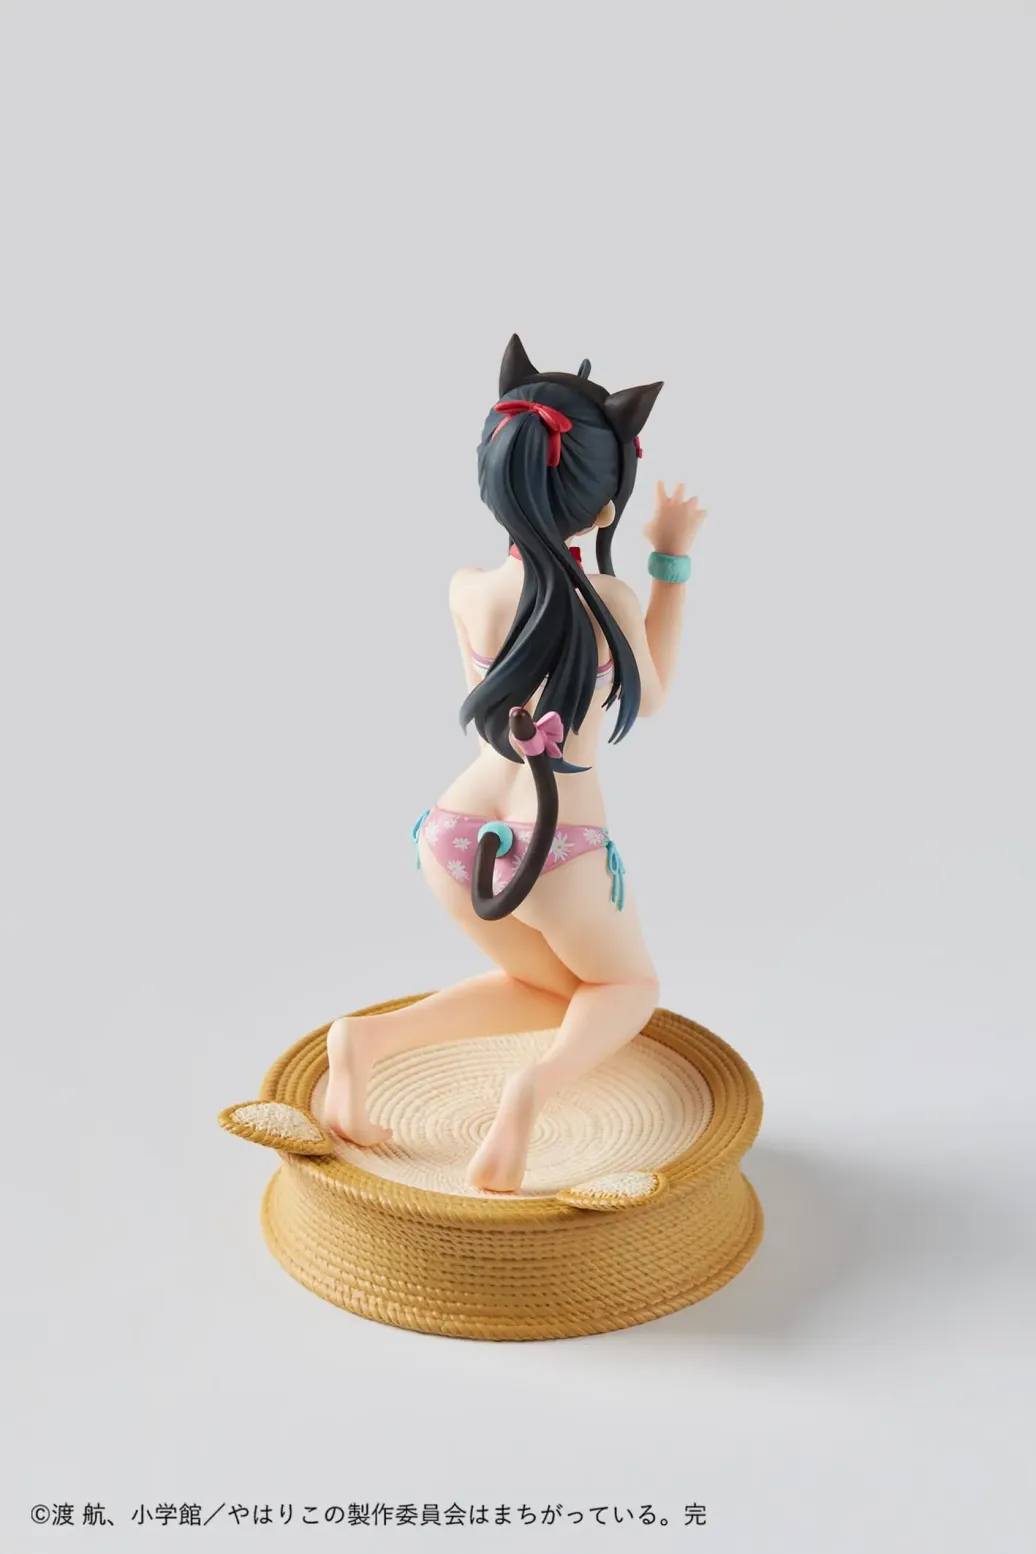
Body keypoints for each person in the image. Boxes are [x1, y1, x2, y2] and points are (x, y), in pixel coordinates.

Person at [322, 335, 707, 1190]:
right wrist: (671, 563)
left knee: (552, 992)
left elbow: (495, 688)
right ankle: (531, 1090)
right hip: (555, 844)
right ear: (603, 505)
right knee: (627, 987)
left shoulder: (465, 587)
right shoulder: (609, 601)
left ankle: (367, 1040)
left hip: (452, 832)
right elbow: (654, 695)